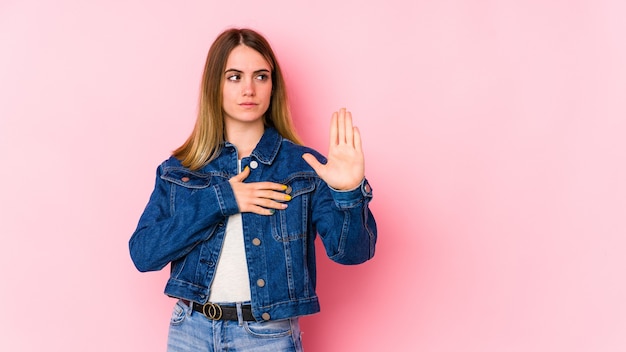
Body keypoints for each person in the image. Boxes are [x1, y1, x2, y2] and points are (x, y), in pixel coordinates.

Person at [129, 28, 377, 352]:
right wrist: (222, 200)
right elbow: (144, 254)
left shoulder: (304, 168)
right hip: (189, 331)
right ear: (214, 85)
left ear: (273, 86)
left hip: (266, 337)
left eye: (261, 76)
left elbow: (353, 253)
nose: (249, 89)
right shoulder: (181, 169)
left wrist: (348, 193)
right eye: (234, 77)